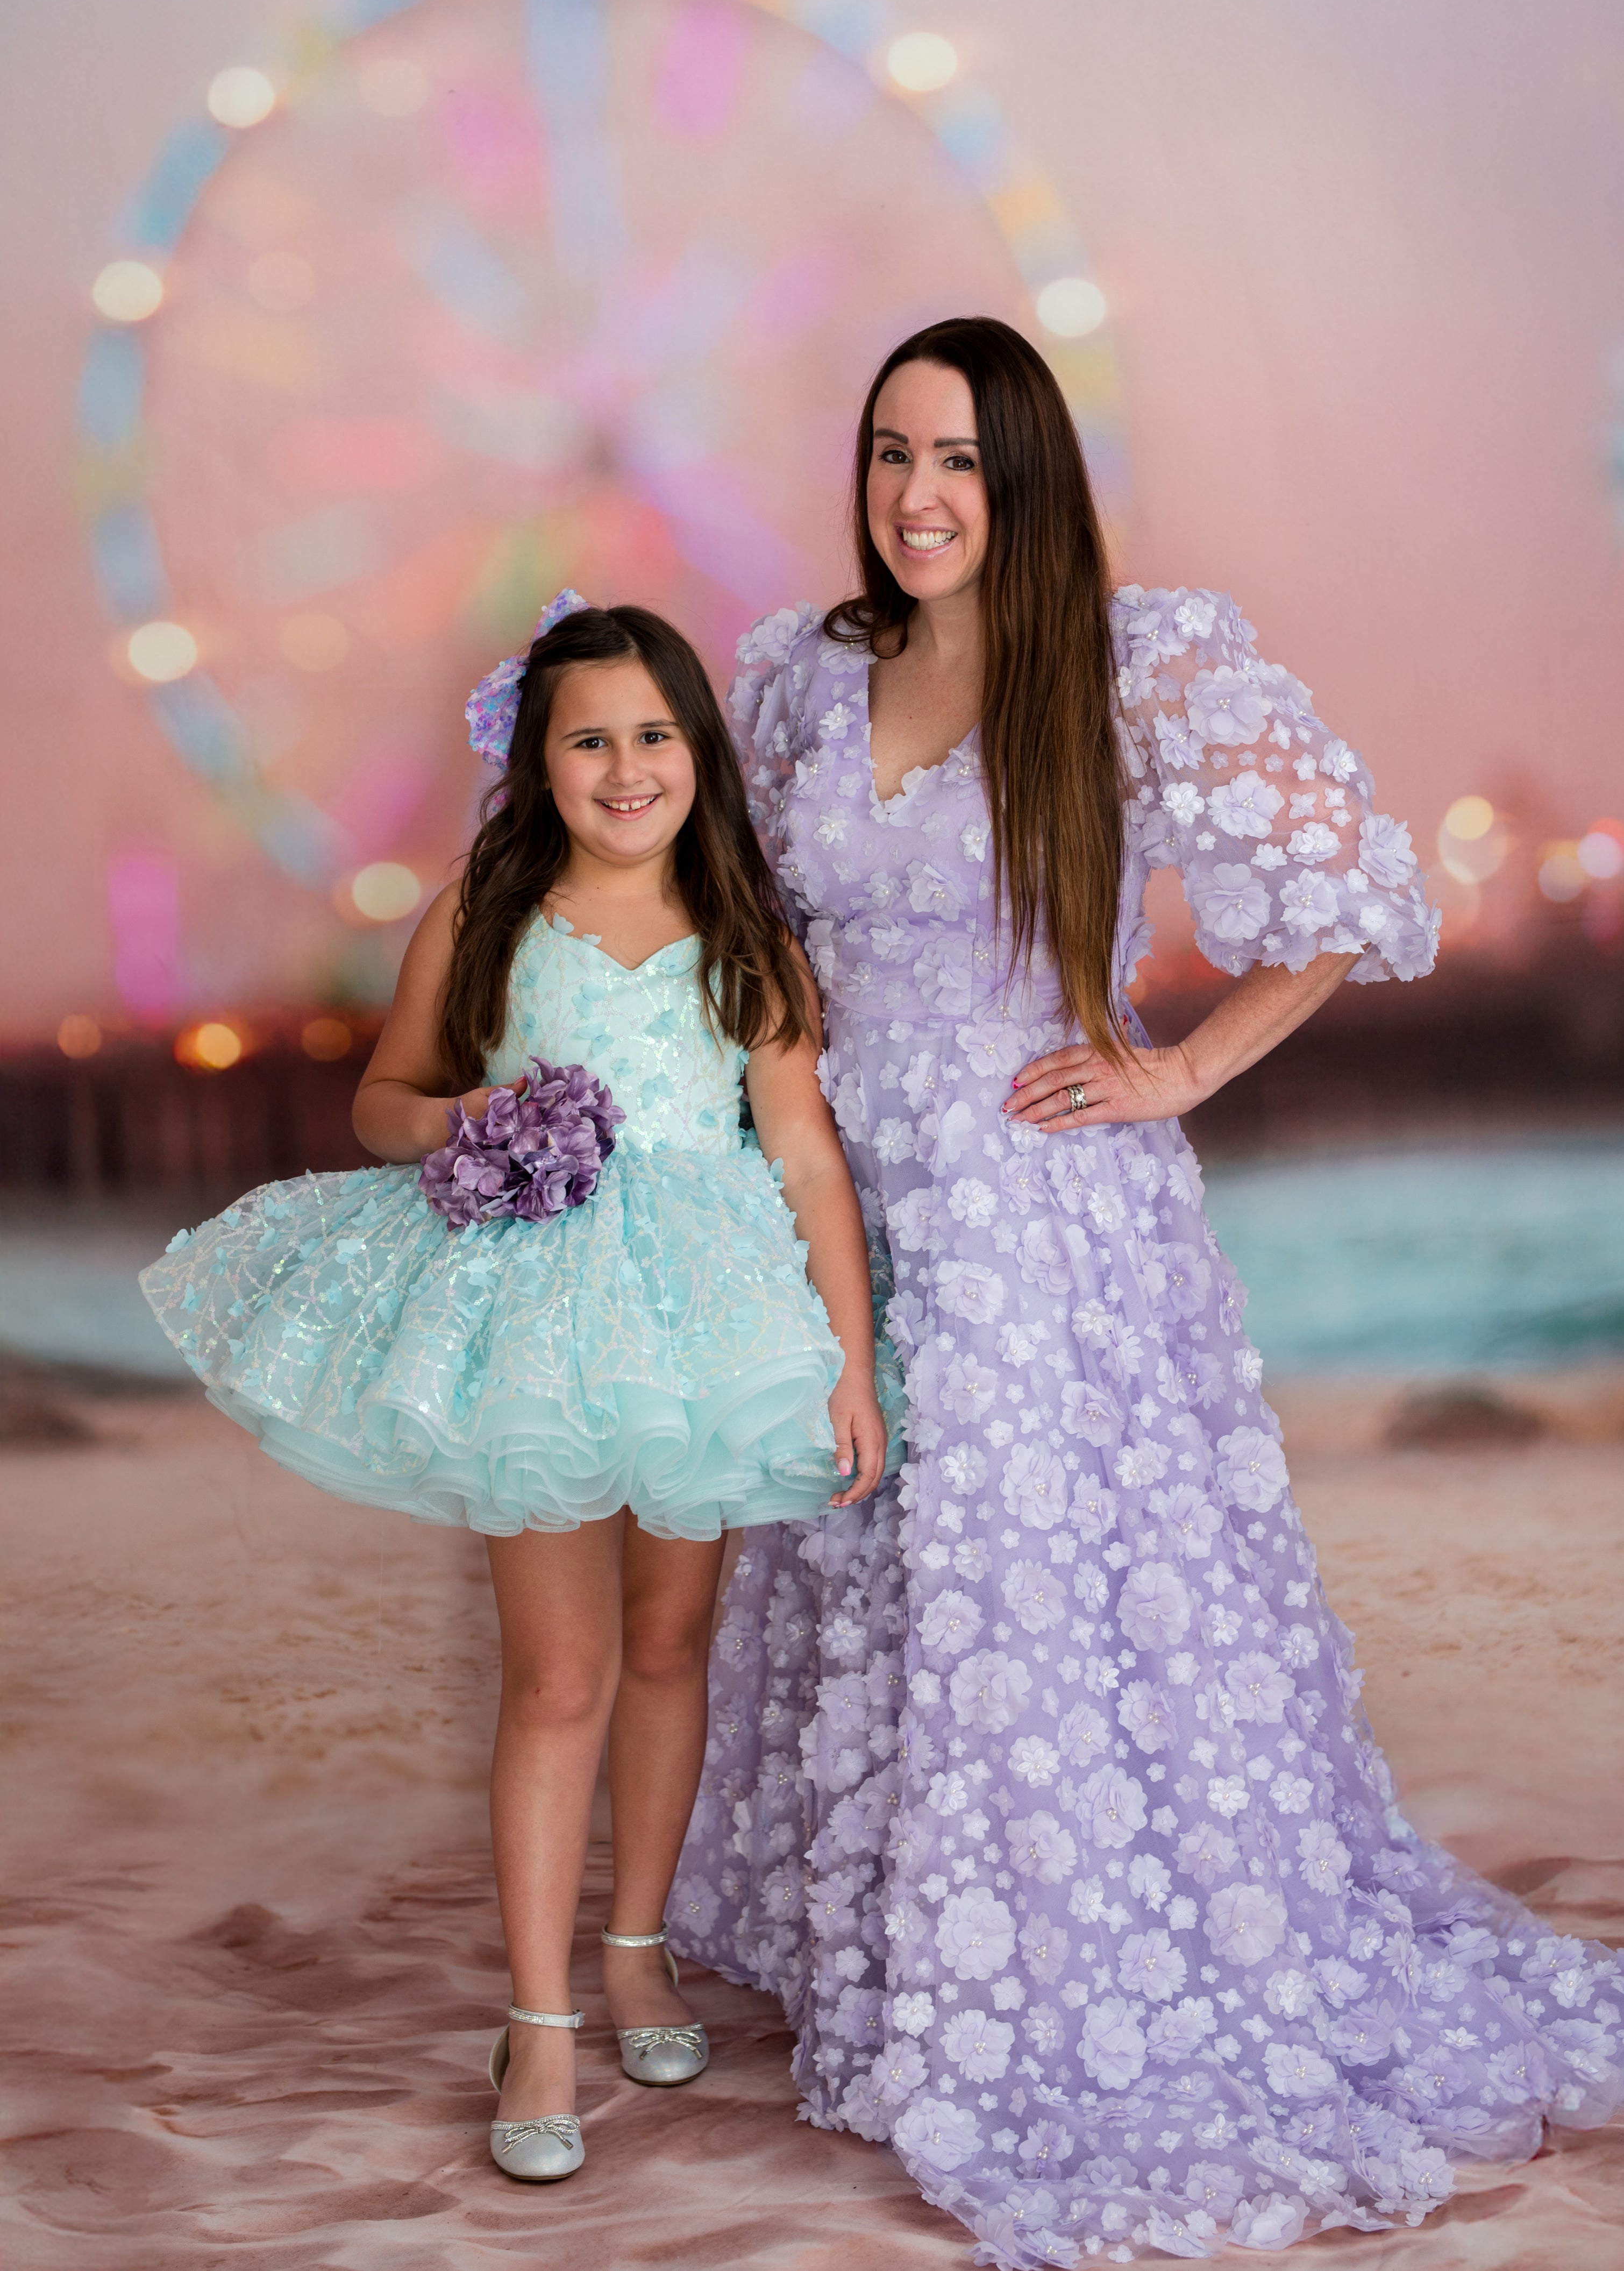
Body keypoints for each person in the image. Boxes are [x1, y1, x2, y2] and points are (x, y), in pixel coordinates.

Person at [669, 320, 1622, 2264]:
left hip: (1041, 1216)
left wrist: (1178, 1066)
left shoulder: (1129, 660)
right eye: (888, 455)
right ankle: (884, 1939)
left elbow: (1355, 890)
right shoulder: (793, 673)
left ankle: (1052, 1967)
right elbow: (735, 921)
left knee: (1029, 1600)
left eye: (959, 460)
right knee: (867, 1557)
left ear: (1026, 477)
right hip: (841, 1194)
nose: (919, 496)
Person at [140, 595, 896, 2187]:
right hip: (538, 1316)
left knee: (674, 1639)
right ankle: (541, 2014)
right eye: (589, 739)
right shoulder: (485, 916)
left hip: (705, 1310)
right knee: (560, 1672)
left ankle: (636, 1948)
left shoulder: (748, 936)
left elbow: (805, 1150)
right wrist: (467, 1121)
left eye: (652, 735)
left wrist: (848, 1358)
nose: (626, 768)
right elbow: (377, 1100)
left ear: (699, 750)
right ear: (536, 764)